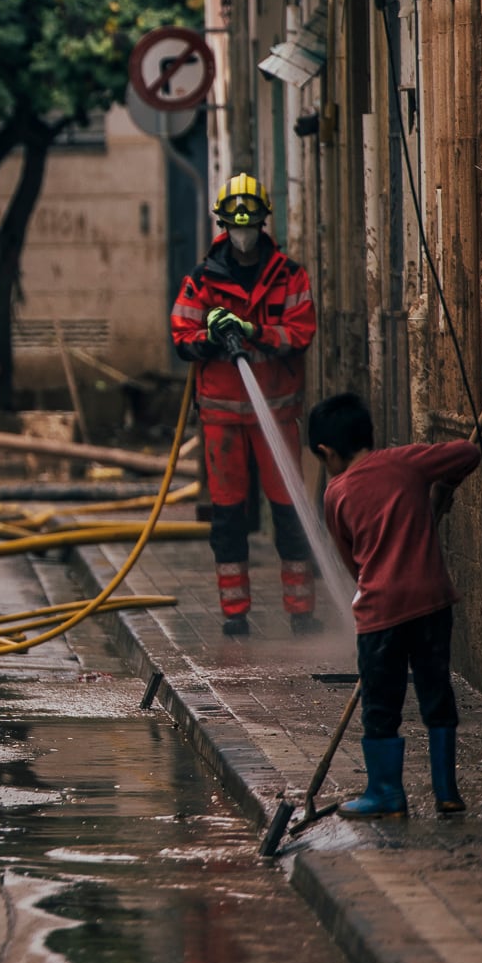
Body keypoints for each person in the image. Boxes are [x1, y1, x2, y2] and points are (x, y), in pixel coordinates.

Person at [309, 391, 482, 820]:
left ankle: (387, 795)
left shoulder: (336, 493)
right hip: (431, 603)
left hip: (380, 614)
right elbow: (467, 451)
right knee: (436, 694)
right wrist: (443, 485)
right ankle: (447, 793)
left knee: (381, 709)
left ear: (326, 452)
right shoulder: (408, 462)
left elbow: (353, 562)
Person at [171, 174, 320, 636]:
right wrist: (212, 336)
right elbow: (181, 336)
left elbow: (301, 332)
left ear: (262, 224)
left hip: (275, 414)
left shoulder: (290, 276)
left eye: (250, 224)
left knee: (289, 512)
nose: (243, 233)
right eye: (236, 226)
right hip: (221, 416)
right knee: (229, 515)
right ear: (222, 225)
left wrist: (256, 333)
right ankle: (234, 612)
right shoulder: (201, 280)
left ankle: (301, 609)